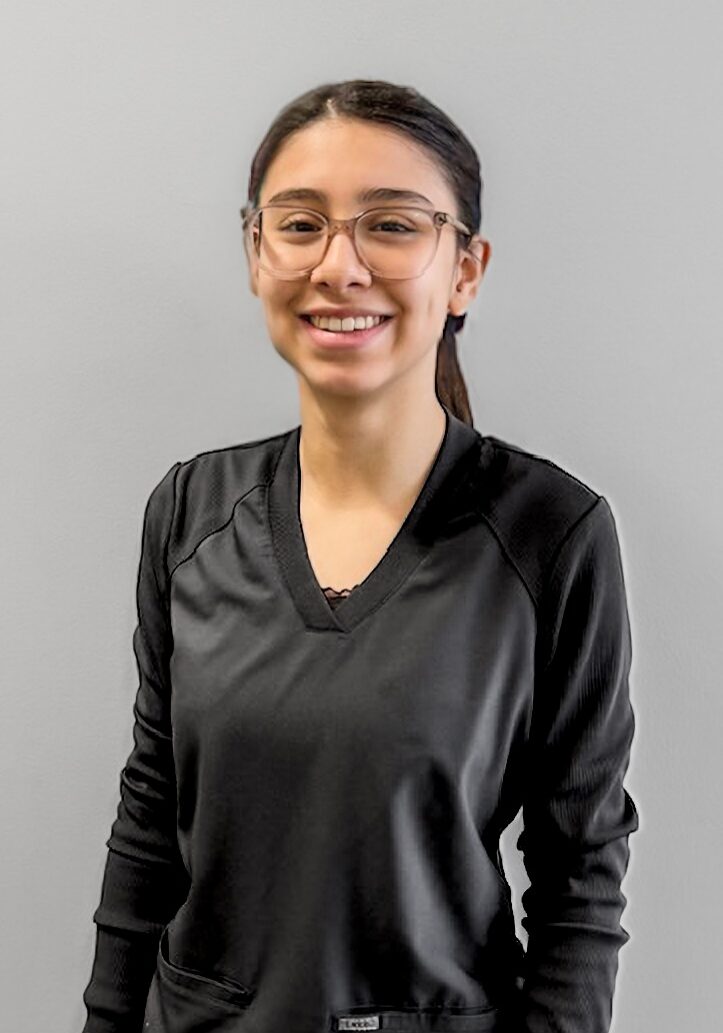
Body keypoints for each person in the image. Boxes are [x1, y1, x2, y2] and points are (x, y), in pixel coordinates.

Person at [80, 79, 639, 1033]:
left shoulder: (551, 532)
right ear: (256, 252)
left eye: (391, 226)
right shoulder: (189, 512)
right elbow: (152, 814)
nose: (339, 267)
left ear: (465, 269)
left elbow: (579, 875)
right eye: (301, 226)